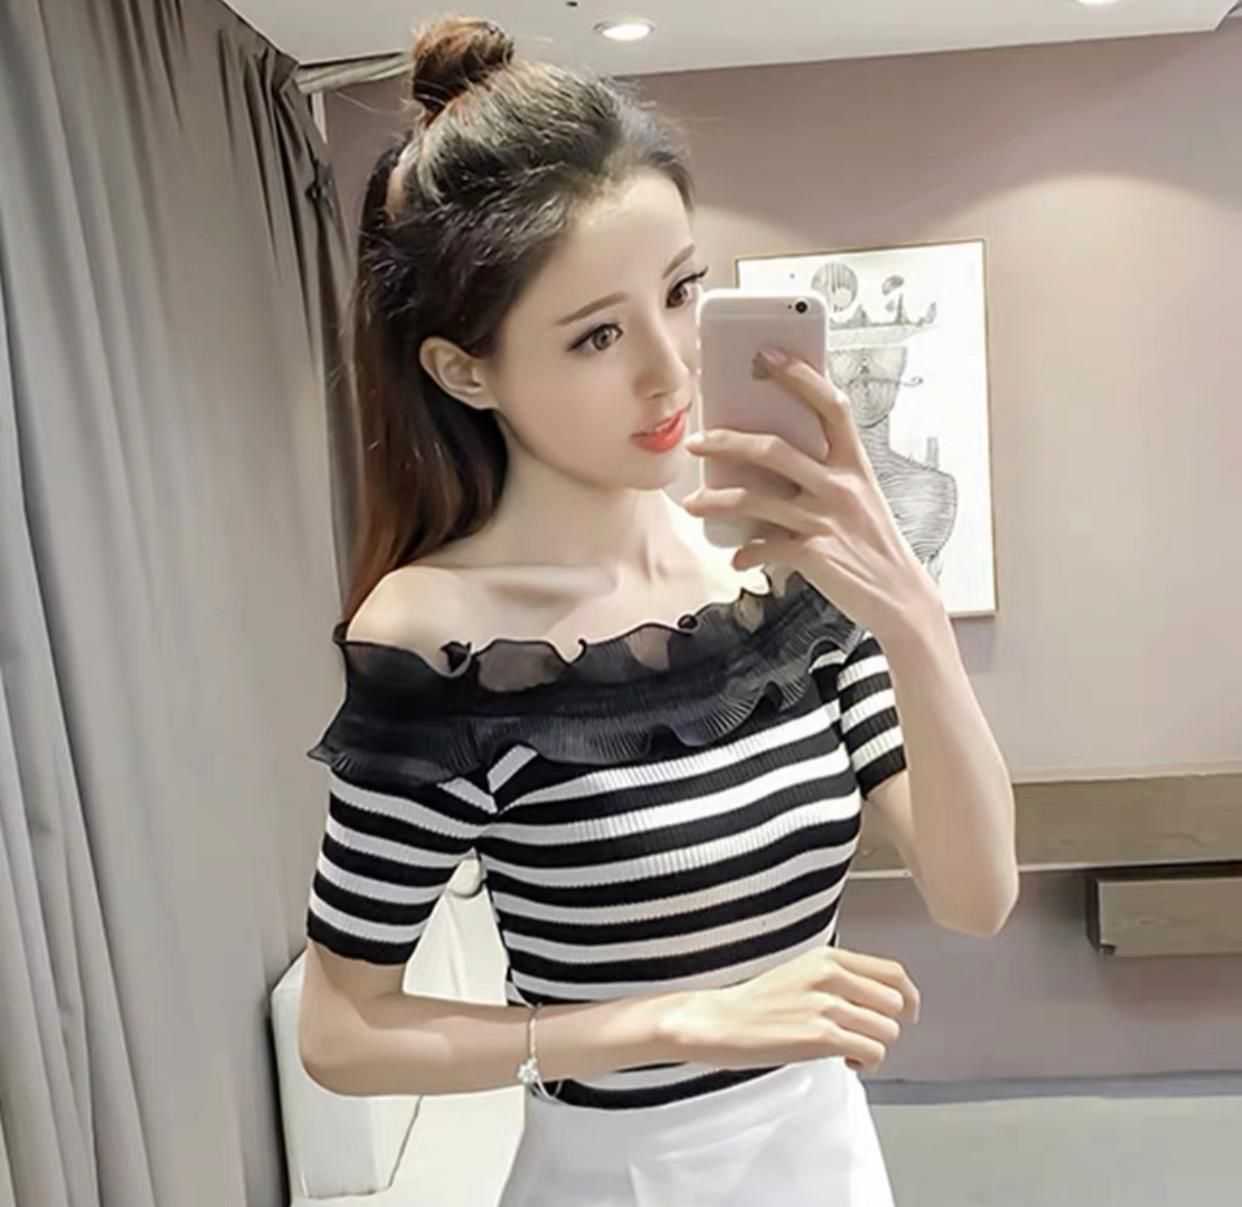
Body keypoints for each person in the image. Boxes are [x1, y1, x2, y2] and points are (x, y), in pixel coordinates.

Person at [296, 14, 1010, 1205]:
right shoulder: (440, 638)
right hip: (616, 1172)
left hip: (825, 1155)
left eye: (680, 293)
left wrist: (914, 620)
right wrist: (670, 1019)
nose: (670, 371)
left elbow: (976, 897)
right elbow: (341, 1028)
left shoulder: (779, 569)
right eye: (596, 335)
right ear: (465, 369)